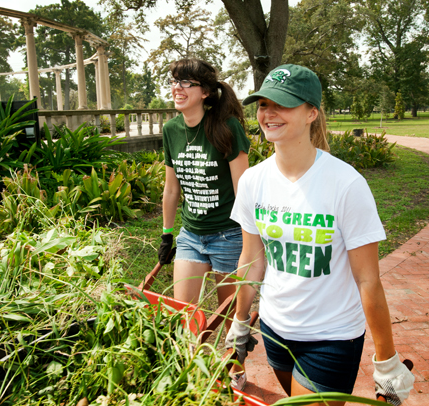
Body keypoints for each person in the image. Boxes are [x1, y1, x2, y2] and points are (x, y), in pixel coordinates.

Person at [225, 64, 414, 405]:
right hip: (275, 331)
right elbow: (252, 261)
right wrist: (240, 321)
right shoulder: (254, 180)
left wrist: (386, 361)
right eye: (264, 104)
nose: (269, 113)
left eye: (282, 104)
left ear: (312, 112)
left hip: (332, 337)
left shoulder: (346, 184)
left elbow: (368, 280)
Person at [158, 58, 251, 389]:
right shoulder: (171, 130)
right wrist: (168, 235)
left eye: (187, 83)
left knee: (230, 320)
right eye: (175, 81)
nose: (178, 88)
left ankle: (235, 369)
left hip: (229, 236)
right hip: (191, 236)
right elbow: (172, 189)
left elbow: (243, 190)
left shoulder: (226, 128)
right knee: (187, 318)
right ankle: (193, 374)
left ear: (207, 93)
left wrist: (250, 240)